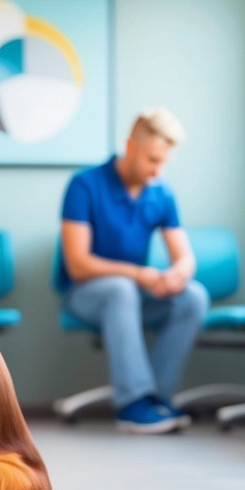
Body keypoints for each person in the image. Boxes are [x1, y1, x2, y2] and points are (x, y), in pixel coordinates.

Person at [59, 108, 208, 434]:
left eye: (165, 162)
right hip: (86, 293)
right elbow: (78, 265)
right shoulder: (85, 185)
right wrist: (140, 275)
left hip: (132, 295)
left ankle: (157, 399)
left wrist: (177, 274)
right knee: (120, 288)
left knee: (193, 296)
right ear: (131, 146)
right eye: (152, 160)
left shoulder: (161, 192)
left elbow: (185, 257)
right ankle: (132, 405)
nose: (158, 171)